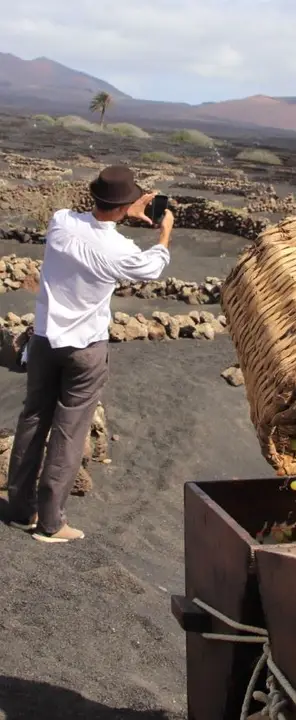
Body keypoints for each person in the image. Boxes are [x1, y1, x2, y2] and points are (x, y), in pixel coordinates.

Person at [5, 165, 175, 542]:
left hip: (46, 341)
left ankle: (19, 507)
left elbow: (93, 222)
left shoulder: (60, 222)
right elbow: (152, 266)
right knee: (69, 431)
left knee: (33, 419)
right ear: (126, 206)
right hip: (86, 349)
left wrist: (119, 210)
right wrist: (164, 233)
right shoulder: (120, 250)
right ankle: (50, 523)